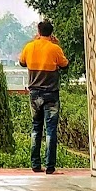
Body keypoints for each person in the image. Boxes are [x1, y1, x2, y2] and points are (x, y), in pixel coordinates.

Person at [19, 18, 71, 173]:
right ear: (52, 32)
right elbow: (65, 65)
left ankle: (35, 164)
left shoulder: (29, 47)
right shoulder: (54, 49)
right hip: (51, 94)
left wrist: (34, 42)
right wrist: (57, 45)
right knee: (51, 130)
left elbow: (22, 62)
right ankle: (50, 166)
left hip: (34, 94)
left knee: (36, 128)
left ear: (38, 31)